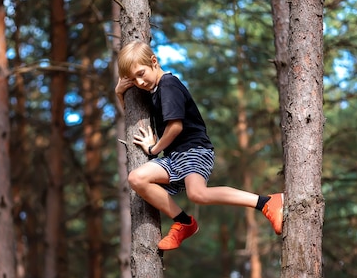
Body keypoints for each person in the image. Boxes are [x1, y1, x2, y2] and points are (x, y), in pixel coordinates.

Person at [115, 40, 283, 251]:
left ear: (154, 61)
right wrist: (120, 93)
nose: (139, 82)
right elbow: (134, 116)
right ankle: (184, 223)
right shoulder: (155, 90)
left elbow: (175, 127)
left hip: (194, 149)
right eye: (133, 79)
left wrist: (153, 149)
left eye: (141, 73)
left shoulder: (168, 86)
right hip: (174, 155)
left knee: (197, 194)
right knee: (136, 178)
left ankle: (267, 202)